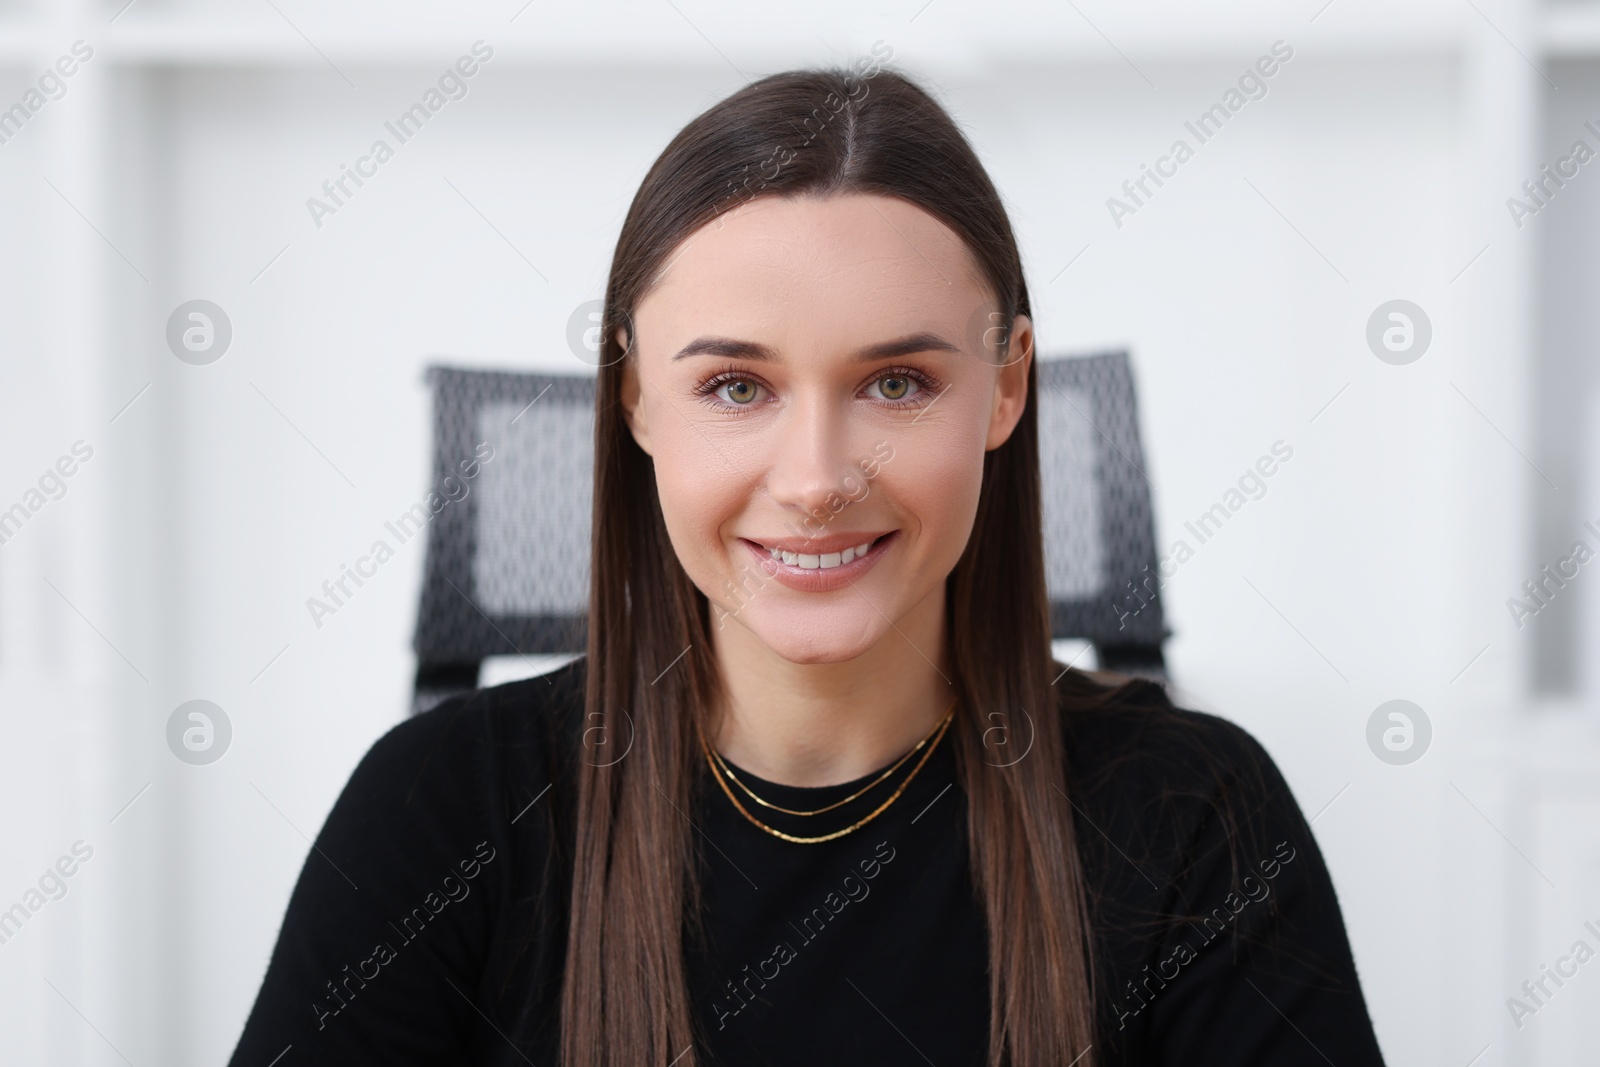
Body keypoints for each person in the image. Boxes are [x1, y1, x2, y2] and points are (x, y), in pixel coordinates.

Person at [226, 62, 1387, 1067]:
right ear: (635, 397)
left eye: (897, 383)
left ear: (1008, 385)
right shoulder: (445, 807)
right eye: (737, 386)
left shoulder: (1190, 813)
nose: (818, 476)